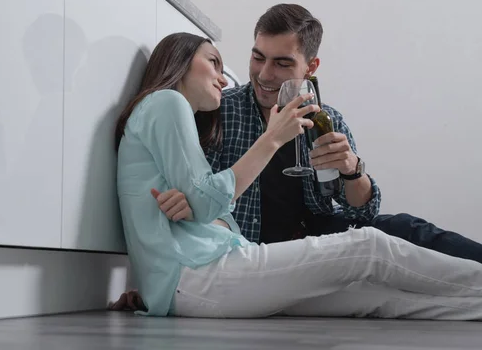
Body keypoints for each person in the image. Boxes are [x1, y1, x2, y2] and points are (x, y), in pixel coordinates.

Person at [114, 31, 482, 320]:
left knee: (382, 296)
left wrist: (352, 170)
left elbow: (205, 205)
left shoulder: (325, 119)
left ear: (310, 68)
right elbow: (206, 200)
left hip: (223, 264)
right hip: (207, 271)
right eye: (255, 58)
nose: (256, 74)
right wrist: (271, 139)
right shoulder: (180, 104)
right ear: (180, 60)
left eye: (282, 63)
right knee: (370, 247)